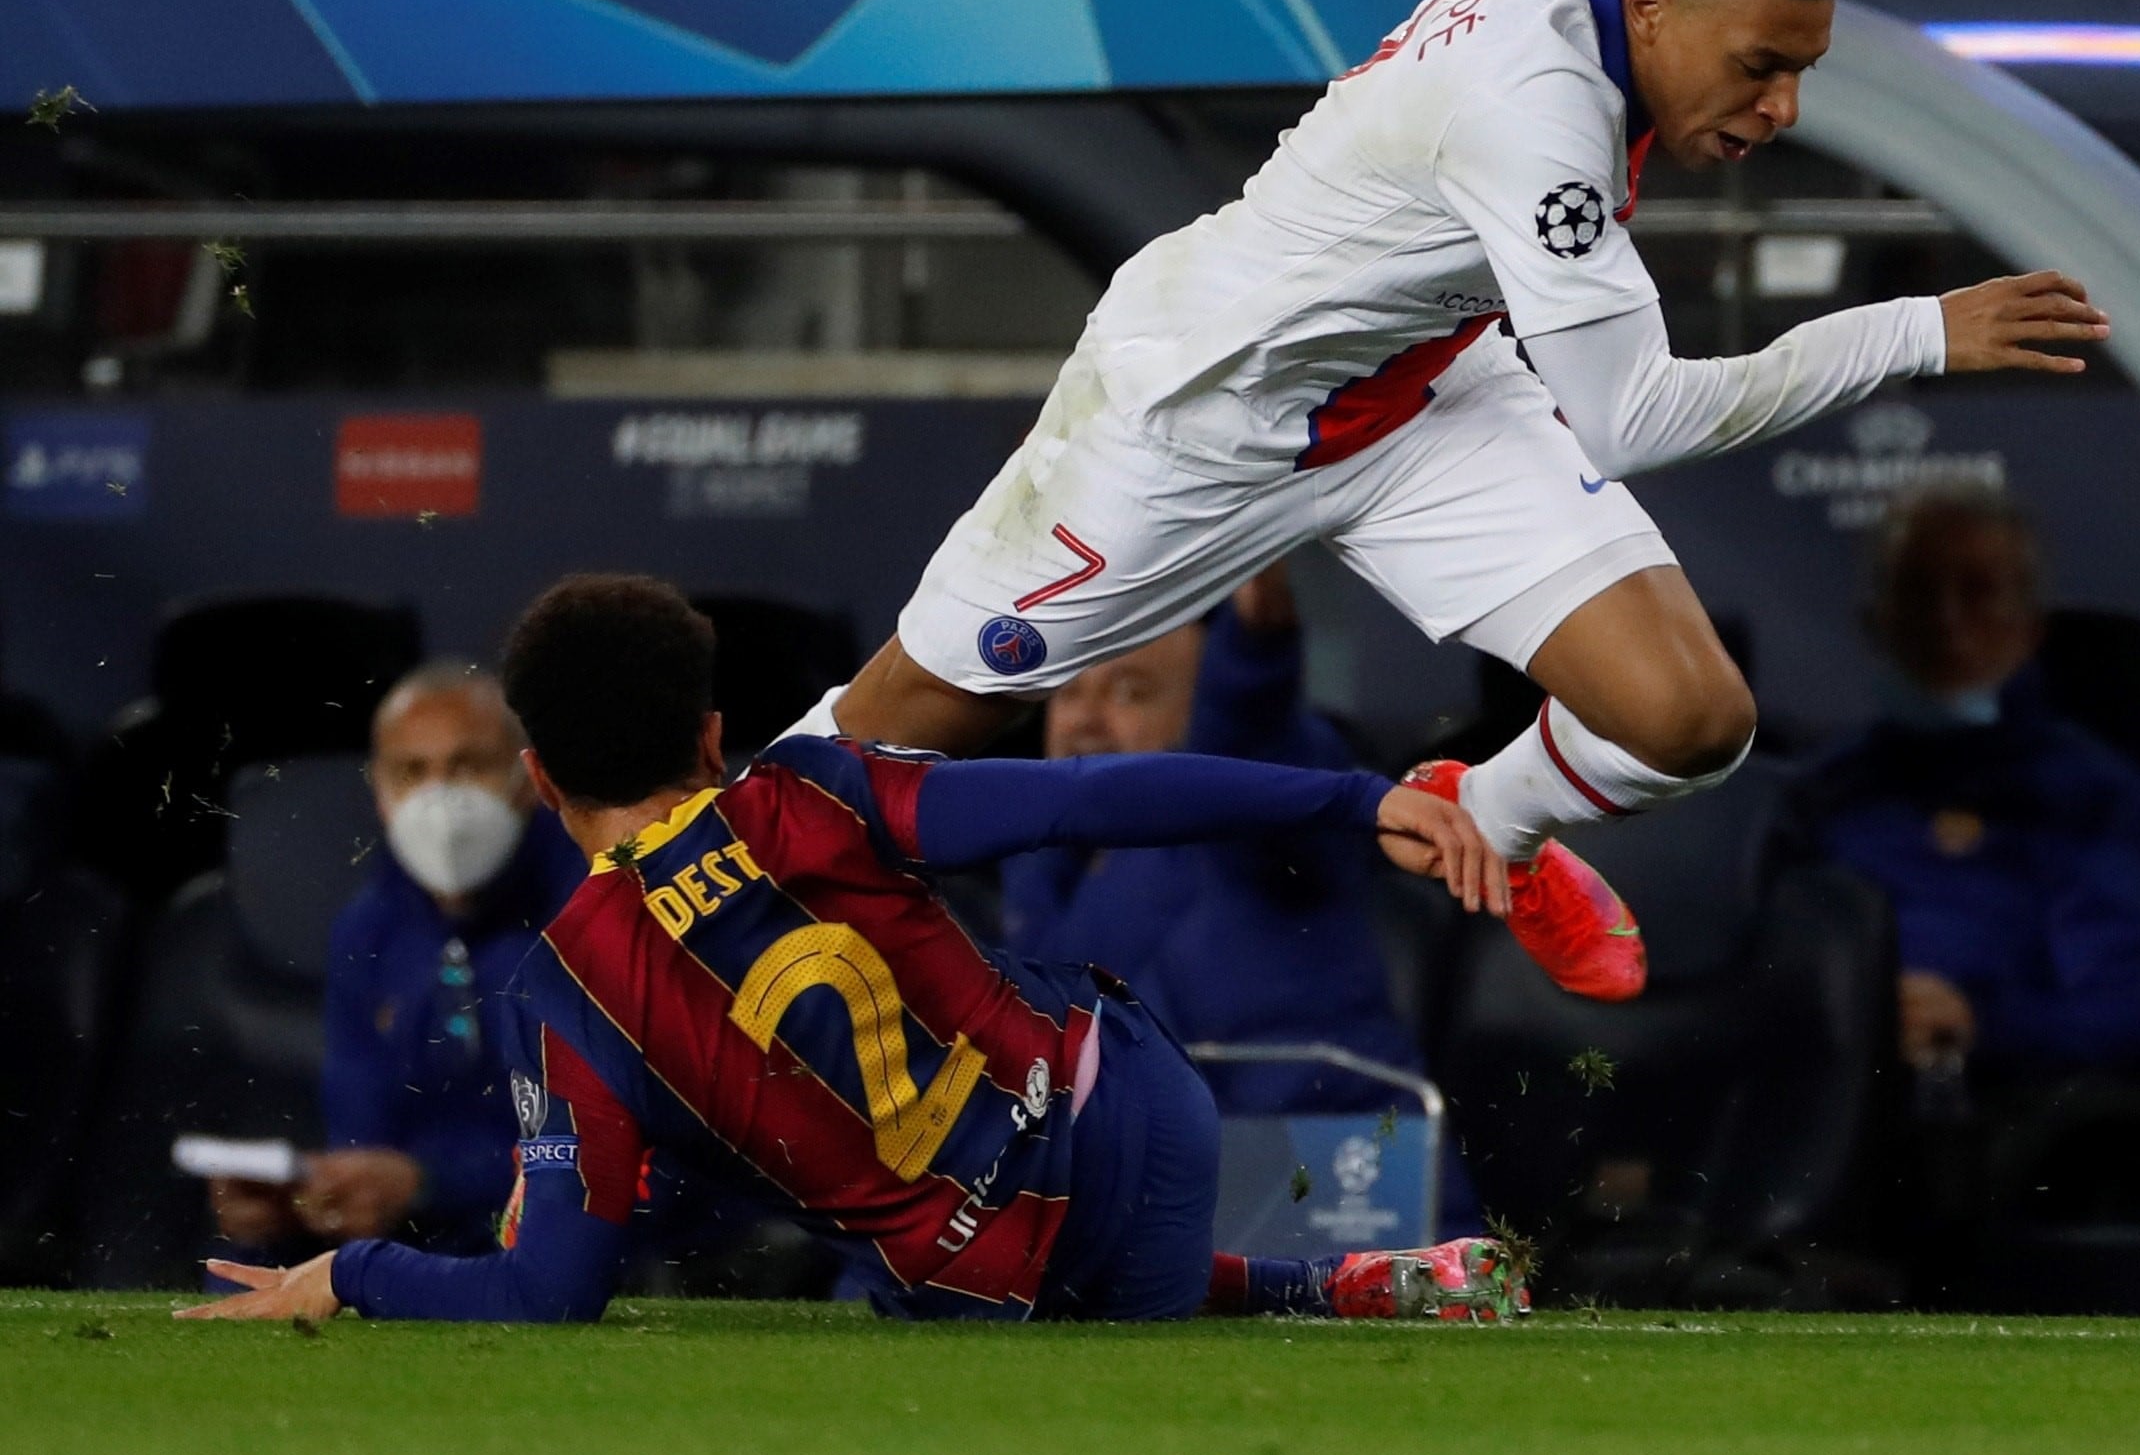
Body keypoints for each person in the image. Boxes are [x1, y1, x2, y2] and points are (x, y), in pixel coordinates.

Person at [798, 0, 2111, 1004]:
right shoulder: (1541, 132)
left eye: (1802, 70)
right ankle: (693, 899)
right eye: (1761, 64)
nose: (1781, 106)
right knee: (899, 728)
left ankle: (1488, 817)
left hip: (1426, 388)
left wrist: (1457, 10)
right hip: (1198, 415)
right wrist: (1913, 334)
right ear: (1649, 5)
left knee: (1690, 721)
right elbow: (1632, 417)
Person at [181, 574, 1523, 1326]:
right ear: (715, 739)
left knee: (909, 1242)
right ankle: (1335, 1279)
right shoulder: (816, 790)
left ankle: (1306, 1276)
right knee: (998, 1107)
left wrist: (348, 1274)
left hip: (1025, 1273)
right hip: (1154, 1121)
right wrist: (1363, 796)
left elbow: (550, 1291)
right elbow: (1090, 799)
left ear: (534, 778)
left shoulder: (567, 993)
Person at [1766, 486, 2140, 1092]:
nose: (1947, 621)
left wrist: (1979, 1023)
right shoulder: (1818, 792)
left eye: (1979, 592)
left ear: (2032, 625)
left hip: (1983, 1120)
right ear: (1874, 622)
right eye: (1918, 592)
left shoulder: (2099, 803)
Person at [1004, 565, 1431, 1117]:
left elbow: (1248, 734)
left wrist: (1253, 648)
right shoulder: (1024, 874)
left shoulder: (1256, 816)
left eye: (1131, 692)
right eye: (1067, 693)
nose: (1084, 719)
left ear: (1195, 715)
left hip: (1337, 1183)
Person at [207, 661, 583, 1256]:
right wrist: (312, 1195)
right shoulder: (368, 927)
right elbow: (361, 1132)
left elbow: (603, 1153)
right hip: (421, 1228)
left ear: (528, 776)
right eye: (414, 771)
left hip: (559, 1226)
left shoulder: (592, 909)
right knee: (248, 1256)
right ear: (380, 793)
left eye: (469, 766)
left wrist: (428, 1184)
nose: (443, 798)